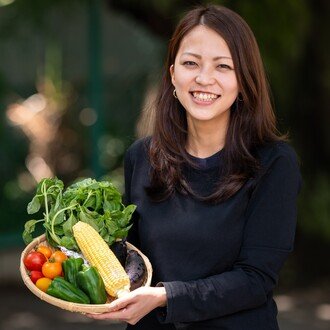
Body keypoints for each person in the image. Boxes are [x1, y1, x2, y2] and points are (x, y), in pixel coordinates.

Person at [87, 4, 302, 329]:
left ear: (244, 79)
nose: (204, 78)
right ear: (173, 73)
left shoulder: (273, 163)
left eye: (223, 66)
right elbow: (134, 263)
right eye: (190, 63)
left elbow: (256, 279)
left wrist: (166, 297)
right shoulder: (141, 157)